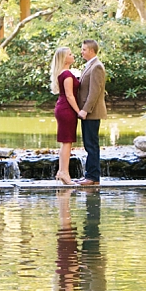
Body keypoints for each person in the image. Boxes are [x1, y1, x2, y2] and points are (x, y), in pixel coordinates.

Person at [76, 39, 106, 186]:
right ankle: (90, 175)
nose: (81, 52)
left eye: (84, 49)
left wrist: (85, 110)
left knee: (91, 145)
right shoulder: (89, 66)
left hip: (92, 112)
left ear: (92, 51)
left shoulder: (97, 67)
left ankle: (93, 177)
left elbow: (95, 92)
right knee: (89, 144)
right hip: (87, 112)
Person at [50, 46, 80, 185]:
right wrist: (79, 111)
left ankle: (62, 171)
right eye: (70, 54)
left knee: (66, 142)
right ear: (64, 58)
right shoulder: (67, 75)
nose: (73, 55)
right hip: (66, 109)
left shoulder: (64, 73)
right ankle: (64, 172)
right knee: (67, 142)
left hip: (63, 108)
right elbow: (69, 95)